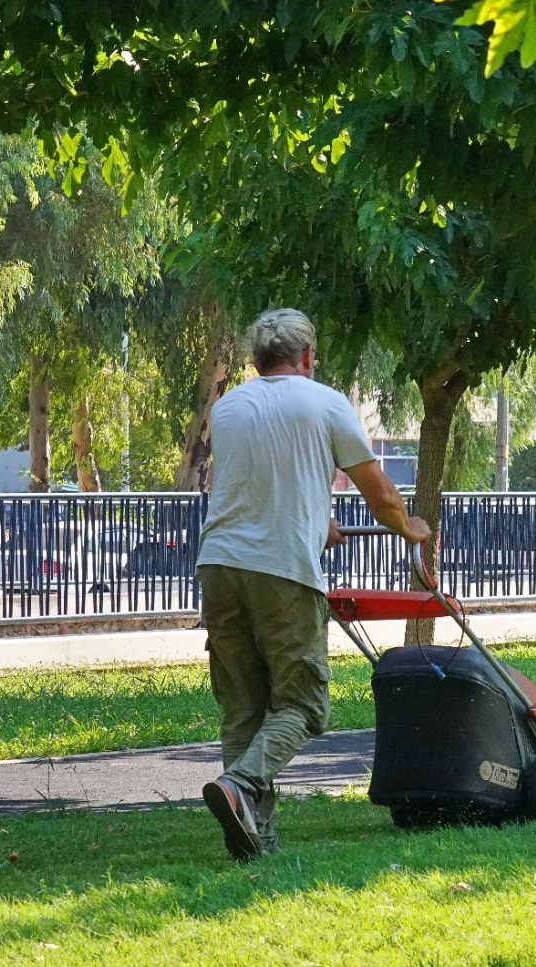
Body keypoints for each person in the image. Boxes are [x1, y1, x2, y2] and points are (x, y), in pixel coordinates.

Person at [197, 308, 429, 860]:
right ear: (306, 356)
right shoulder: (324, 402)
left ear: (258, 360)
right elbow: (381, 493)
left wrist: (316, 520)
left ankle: (256, 836)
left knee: (243, 708)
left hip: (219, 565)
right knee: (304, 704)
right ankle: (240, 785)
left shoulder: (227, 408)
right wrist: (408, 527)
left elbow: (262, 481)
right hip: (282, 571)